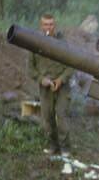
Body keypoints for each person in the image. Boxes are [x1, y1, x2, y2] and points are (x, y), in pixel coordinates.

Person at [29, 14, 73, 155]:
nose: (49, 27)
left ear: (55, 25)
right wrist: (42, 79)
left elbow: (71, 65)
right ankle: (53, 146)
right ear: (41, 26)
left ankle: (65, 148)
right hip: (45, 87)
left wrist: (61, 80)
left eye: (51, 24)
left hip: (62, 87)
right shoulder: (35, 44)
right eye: (46, 25)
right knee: (47, 118)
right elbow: (30, 69)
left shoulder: (63, 43)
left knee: (61, 115)